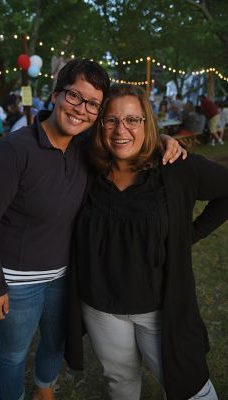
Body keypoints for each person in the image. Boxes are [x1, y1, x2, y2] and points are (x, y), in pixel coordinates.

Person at [0, 59, 185, 400]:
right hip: (14, 279)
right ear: (55, 95)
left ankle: (45, 390)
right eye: (74, 96)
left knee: (56, 341)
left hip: (62, 276)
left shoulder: (86, 150)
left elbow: (128, 140)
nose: (81, 109)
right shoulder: (13, 152)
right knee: (13, 353)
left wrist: (162, 140)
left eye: (92, 104)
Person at [66, 84, 228, 400]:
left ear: (147, 123)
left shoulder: (176, 168)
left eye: (132, 120)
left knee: (192, 390)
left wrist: (189, 234)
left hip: (160, 310)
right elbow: (55, 122)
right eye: (111, 120)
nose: (120, 130)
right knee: (120, 382)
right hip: (102, 308)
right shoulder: (87, 165)